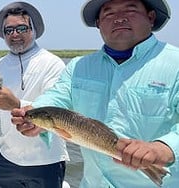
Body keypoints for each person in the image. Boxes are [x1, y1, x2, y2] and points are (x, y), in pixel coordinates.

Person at [11, 0, 179, 187]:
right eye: (108, 13)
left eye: (130, 9)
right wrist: (33, 115)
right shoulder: (78, 67)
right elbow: (57, 97)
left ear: (151, 17)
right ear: (98, 23)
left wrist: (164, 147)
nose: (119, 18)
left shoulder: (176, 63)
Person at [0, 2, 69, 188]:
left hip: (46, 161)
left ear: (33, 29)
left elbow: (57, 112)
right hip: (7, 159)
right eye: (8, 31)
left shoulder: (53, 64)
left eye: (21, 28)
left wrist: (15, 103)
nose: (14, 34)